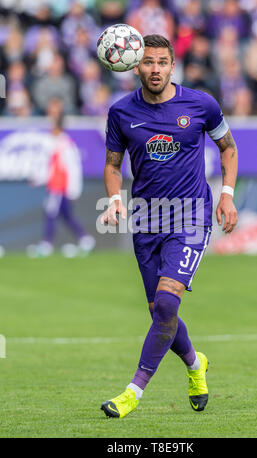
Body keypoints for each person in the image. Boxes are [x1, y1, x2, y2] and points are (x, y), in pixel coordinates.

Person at [100, 34, 238, 418]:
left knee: (165, 302)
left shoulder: (200, 104)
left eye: (162, 62)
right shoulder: (121, 112)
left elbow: (228, 146)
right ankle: (196, 365)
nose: (155, 69)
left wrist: (226, 194)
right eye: (148, 62)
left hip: (191, 216)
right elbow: (113, 165)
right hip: (146, 221)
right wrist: (114, 200)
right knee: (161, 314)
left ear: (172, 65)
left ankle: (132, 391)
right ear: (134, 65)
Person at [30, 97, 95, 257]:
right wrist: (39, 179)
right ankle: (85, 239)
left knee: (51, 212)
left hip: (60, 187)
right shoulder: (52, 143)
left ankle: (46, 244)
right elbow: (49, 167)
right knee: (65, 215)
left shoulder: (65, 144)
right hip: (55, 185)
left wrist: (73, 188)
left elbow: (73, 168)